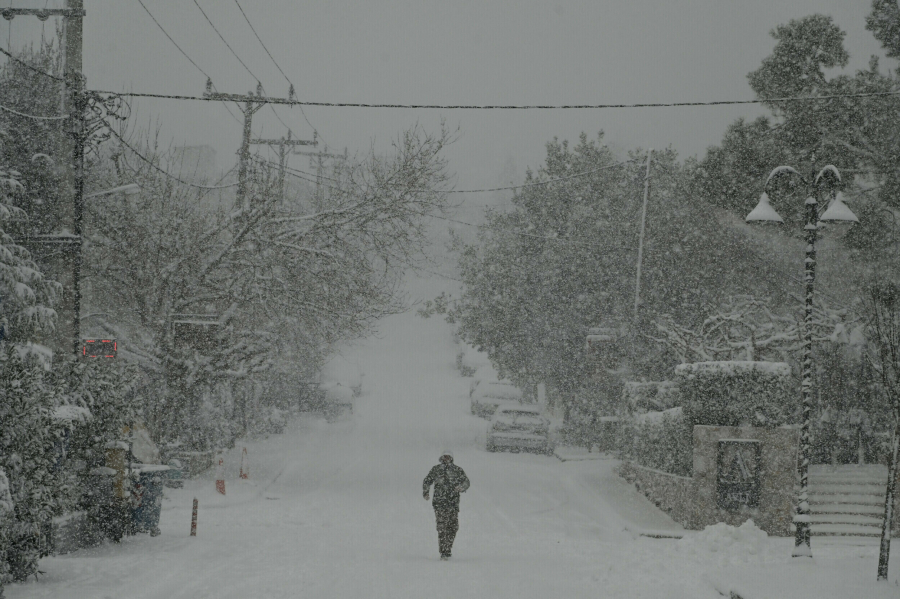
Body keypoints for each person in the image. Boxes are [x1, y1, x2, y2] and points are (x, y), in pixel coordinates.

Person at [422, 450, 470, 560]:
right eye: (444, 457)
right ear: (441, 458)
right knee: (442, 527)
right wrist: (426, 492)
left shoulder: (458, 470)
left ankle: (448, 548)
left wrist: (461, 488)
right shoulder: (436, 469)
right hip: (439, 504)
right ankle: (444, 551)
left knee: (453, 527)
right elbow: (427, 480)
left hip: (453, 504)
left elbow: (466, 482)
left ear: (451, 458)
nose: (446, 459)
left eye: (448, 457)